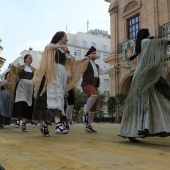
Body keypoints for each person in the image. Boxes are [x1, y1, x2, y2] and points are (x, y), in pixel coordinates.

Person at [119, 28, 170, 143]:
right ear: (146, 35)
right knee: (146, 101)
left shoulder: (140, 47)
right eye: (149, 34)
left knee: (142, 101)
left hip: (142, 76)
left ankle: (133, 130)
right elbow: (159, 43)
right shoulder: (145, 42)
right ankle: (145, 128)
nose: (150, 36)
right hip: (144, 76)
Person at [32, 31, 87, 137]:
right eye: (65, 37)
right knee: (56, 98)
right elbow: (49, 47)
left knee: (59, 100)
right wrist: (60, 46)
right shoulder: (52, 47)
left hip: (60, 76)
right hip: (52, 74)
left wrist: (85, 59)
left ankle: (44, 125)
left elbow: (73, 61)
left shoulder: (62, 51)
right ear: (60, 38)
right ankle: (58, 126)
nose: (67, 39)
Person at [81, 46, 118, 133]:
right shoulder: (86, 63)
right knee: (94, 94)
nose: (96, 55)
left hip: (94, 86)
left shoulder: (96, 66)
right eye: (94, 53)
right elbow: (81, 66)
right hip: (86, 84)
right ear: (90, 55)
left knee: (94, 107)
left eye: (95, 53)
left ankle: (88, 126)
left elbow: (104, 70)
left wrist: (114, 67)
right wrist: (87, 58)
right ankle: (85, 113)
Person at [10, 54, 36, 132]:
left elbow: (38, 75)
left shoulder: (33, 69)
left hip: (30, 87)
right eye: (29, 57)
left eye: (32, 58)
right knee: (21, 102)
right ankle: (18, 119)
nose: (31, 59)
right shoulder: (21, 67)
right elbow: (14, 71)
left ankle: (23, 124)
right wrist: (12, 66)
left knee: (27, 105)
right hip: (21, 86)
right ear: (25, 59)